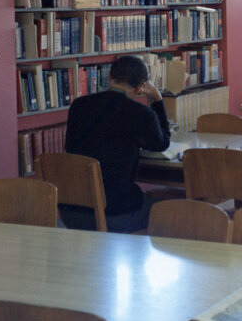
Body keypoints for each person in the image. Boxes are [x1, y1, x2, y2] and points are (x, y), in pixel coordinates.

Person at [64, 55, 170, 232]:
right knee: (169, 211)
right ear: (140, 87)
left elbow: (70, 147)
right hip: (115, 213)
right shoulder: (140, 114)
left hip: (72, 211)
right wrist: (157, 98)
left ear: (109, 78)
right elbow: (162, 143)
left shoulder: (78, 106)